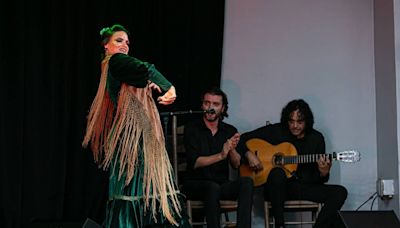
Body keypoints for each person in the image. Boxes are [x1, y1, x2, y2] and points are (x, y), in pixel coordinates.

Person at [82, 24, 190, 227]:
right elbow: (144, 68)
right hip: (132, 138)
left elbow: (138, 77)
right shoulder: (115, 61)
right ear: (106, 45)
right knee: (136, 190)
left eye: (127, 43)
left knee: (148, 190)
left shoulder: (119, 69)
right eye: (118, 40)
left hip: (143, 135)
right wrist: (169, 87)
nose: (124, 45)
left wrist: (146, 88)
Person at [237, 99, 347, 228]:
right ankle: (280, 225)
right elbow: (241, 139)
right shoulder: (276, 131)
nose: (295, 126)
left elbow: (319, 179)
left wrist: (324, 172)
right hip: (277, 188)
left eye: (299, 122)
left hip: (304, 187)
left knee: (340, 192)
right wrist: (249, 154)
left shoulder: (316, 138)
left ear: (307, 121)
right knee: (277, 172)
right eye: (291, 121)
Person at [182, 87, 253, 228]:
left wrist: (231, 149)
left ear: (223, 108)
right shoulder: (192, 128)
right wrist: (221, 155)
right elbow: (195, 162)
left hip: (221, 184)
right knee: (212, 187)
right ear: (202, 105)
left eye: (215, 104)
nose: (210, 107)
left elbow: (236, 164)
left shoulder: (229, 130)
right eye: (207, 103)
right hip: (195, 184)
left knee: (246, 182)